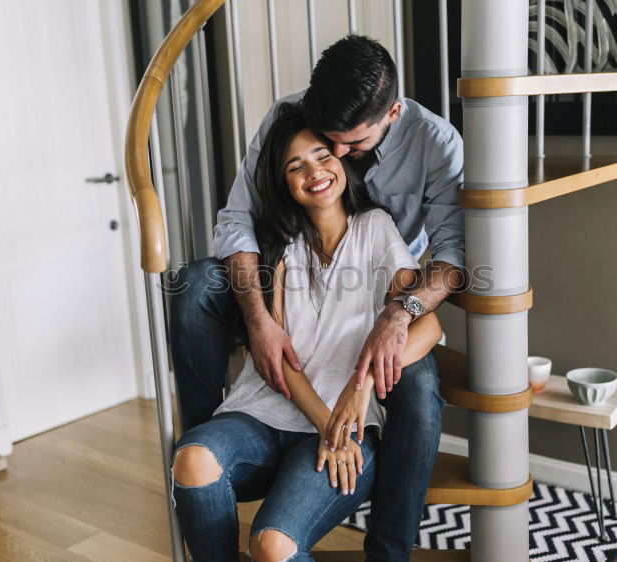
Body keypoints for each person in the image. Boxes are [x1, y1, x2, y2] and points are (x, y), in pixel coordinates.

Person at [169, 35, 464, 560]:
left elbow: (450, 261)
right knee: (192, 287)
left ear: (392, 113)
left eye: (337, 149)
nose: (333, 163)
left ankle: (388, 549)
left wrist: (393, 324)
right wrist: (260, 323)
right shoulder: (283, 220)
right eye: (300, 161)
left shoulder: (424, 159)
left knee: (417, 387)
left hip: (386, 298)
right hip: (287, 382)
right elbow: (237, 221)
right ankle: (219, 450)